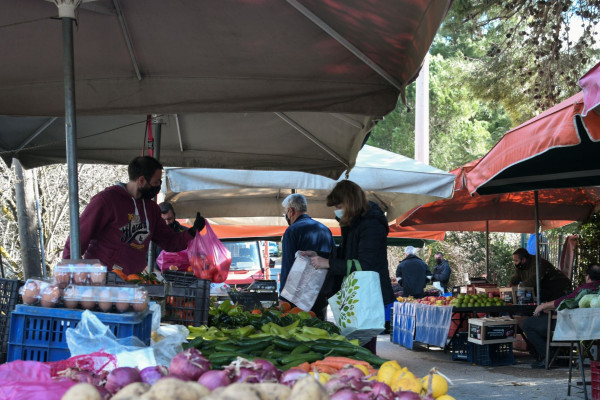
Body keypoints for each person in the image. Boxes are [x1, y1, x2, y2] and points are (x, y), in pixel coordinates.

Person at [63, 156, 205, 275]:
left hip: (132, 280)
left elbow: (168, 241)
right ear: (141, 180)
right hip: (101, 278)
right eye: (156, 182)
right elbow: (79, 237)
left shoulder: (152, 209)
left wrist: (192, 231)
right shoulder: (106, 201)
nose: (158, 187)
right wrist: (69, 273)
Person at [304, 180, 395, 354]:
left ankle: (366, 375)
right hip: (355, 294)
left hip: (367, 294)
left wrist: (328, 263)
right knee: (355, 343)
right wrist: (318, 256)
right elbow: (346, 254)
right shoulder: (353, 222)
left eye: (339, 205)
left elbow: (366, 264)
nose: (336, 210)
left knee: (364, 346)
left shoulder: (371, 223)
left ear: (350, 202)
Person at [522, 263, 600, 368]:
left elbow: (567, 301)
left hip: (570, 326)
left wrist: (543, 306)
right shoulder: (597, 291)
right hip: (592, 327)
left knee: (528, 323)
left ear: (588, 276)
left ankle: (550, 355)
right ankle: (556, 354)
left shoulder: (585, 289)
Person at [279, 193, 335, 320]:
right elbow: (332, 258)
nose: (287, 216)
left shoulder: (292, 231)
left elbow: (287, 265)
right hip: (321, 292)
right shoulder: (325, 229)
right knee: (318, 328)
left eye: (286, 212)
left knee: (299, 331)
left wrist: (282, 298)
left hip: (298, 295)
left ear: (291, 211)